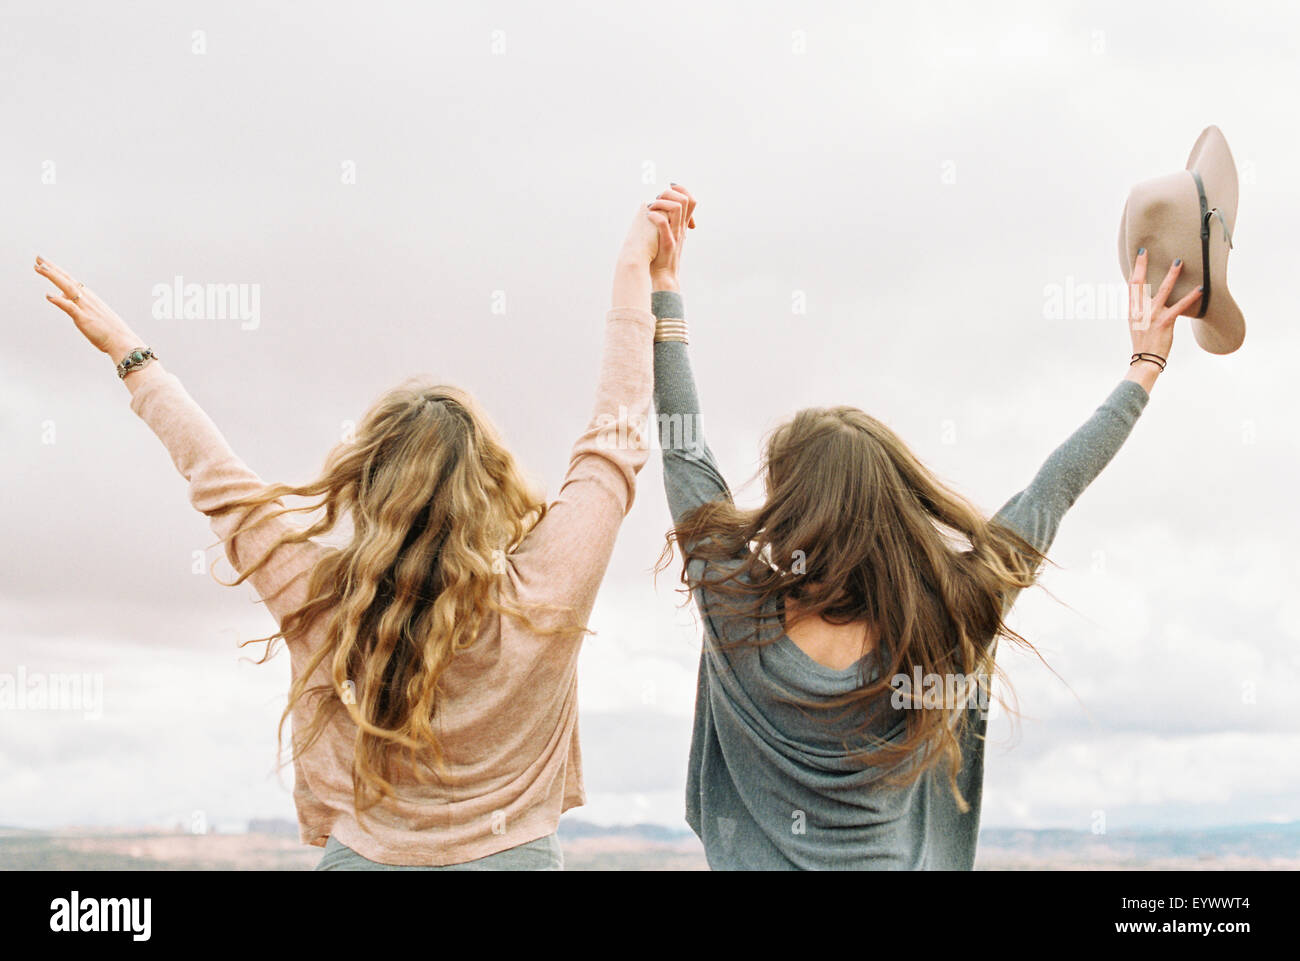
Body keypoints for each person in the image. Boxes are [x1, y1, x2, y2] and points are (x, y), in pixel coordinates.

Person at [33, 191, 693, 870]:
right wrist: (633, 269)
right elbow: (616, 433)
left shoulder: (320, 592)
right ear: (490, 479)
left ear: (368, 481)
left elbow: (220, 482)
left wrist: (133, 356)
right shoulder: (550, 581)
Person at [650, 202, 1203, 869]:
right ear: (894, 504)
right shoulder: (945, 619)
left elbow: (685, 454)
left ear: (790, 504)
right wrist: (1144, 363)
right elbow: (1051, 490)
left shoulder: (735, 609)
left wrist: (664, 294)